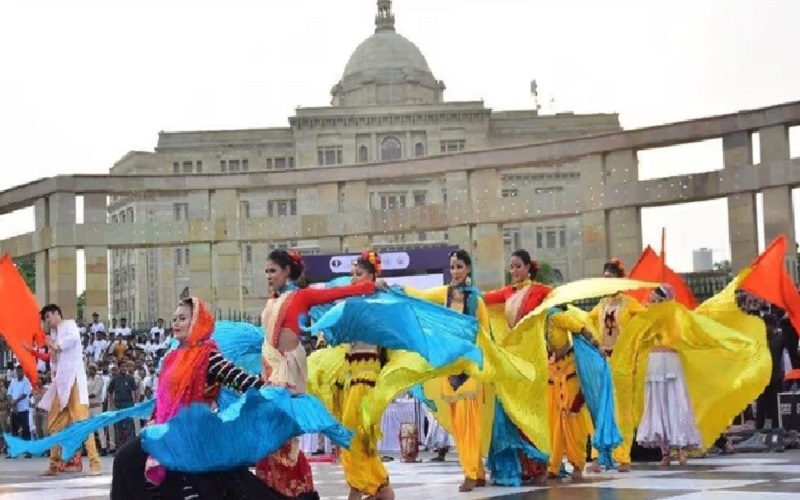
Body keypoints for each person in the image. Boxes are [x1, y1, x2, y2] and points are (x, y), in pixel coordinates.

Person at [111, 297, 288, 500]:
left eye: (183, 318)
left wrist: (275, 392)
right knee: (125, 460)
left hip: (195, 436)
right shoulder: (171, 357)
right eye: (175, 318)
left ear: (197, 321)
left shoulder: (208, 355)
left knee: (203, 485)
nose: (176, 323)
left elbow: (240, 380)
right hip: (165, 431)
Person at [255, 249, 376, 499]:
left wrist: (371, 287)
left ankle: (296, 490)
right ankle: (277, 490)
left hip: (289, 372)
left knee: (284, 434)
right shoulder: (270, 303)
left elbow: (337, 293)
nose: (268, 276)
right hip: (270, 369)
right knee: (271, 437)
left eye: (273, 271)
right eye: (266, 271)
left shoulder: (301, 296)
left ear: (287, 271)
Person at [402, 249, 490, 491]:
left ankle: (471, 473)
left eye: (460, 266)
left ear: (469, 269)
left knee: (469, 422)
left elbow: (486, 335)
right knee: (459, 426)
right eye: (452, 267)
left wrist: (481, 363)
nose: (455, 271)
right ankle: (477, 471)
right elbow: (421, 296)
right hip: (449, 367)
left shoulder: (476, 300)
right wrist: (397, 290)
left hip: (470, 367)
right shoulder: (446, 294)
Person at [480, 249, 552, 485]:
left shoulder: (541, 291)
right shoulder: (507, 293)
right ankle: (517, 467)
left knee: (530, 413)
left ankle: (538, 465)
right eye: (511, 267)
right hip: (512, 361)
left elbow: (559, 303)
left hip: (533, 361)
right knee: (508, 411)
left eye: (518, 266)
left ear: (528, 267)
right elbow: (481, 300)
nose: (514, 271)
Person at [335, 251, 395, 500]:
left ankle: (367, 489)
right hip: (352, 378)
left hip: (367, 380)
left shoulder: (377, 304)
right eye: (352, 274)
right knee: (354, 440)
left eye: (358, 274)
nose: (353, 279)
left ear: (372, 276)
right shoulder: (355, 303)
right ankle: (377, 489)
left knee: (354, 438)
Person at [585, 259, 646, 474]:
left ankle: (623, 456)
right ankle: (598, 456)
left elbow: (646, 321)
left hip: (623, 364)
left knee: (623, 411)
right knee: (601, 409)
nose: (607, 282)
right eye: (605, 278)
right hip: (604, 362)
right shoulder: (601, 305)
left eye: (610, 278)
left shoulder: (629, 303)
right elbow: (586, 322)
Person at [634, 285, 702, 466]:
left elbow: (679, 337)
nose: (651, 303)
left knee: (674, 402)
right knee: (657, 404)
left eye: (655, 301)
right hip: (655, 363)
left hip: (670, 361)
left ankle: (680, 449)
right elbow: (641, 339)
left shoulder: (675, 318)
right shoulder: (648, 320)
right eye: (651, 301)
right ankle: (665, 452)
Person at [33, 304, 101, 476]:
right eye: (45, 319)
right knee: (54, 423)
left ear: (57, 313)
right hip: (61, 383)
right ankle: (53, 465)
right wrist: (50, 350)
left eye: (48, 316)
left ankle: (95, 463)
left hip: (74, 380)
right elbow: (54, 361)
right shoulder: (54, 335)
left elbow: (69, 342)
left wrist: (53, 344)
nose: (47, 321)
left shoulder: (70, 325)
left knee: (82, 422)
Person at [544, 306, 599, 479]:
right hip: (551, 372)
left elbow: (581, 329)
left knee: (573, 418)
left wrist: (598, 347)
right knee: (553, 422)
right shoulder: (536, 321)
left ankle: (577, 464)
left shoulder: (557, 317)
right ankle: (553, 465)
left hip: (569, 370)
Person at [7, 366, 32, 444]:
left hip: (23, 409)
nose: (20, 372)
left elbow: (24, 394)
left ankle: (27, 450)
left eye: (21, 371)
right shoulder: (13, 381)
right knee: (14, 430)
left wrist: (15, 402)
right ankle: (15, 451)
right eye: (18, 371)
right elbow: (9, 393)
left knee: (25, 429)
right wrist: (12, 402)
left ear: (23, 372)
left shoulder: (27, 381)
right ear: (16, 372)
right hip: (14, 409)